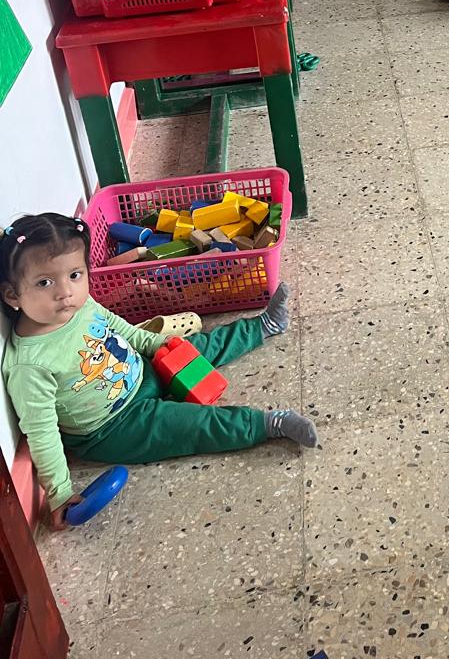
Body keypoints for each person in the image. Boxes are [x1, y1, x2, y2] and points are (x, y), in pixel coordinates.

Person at [1, 214, 316, 529]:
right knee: (192, 426)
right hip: (114, 427)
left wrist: (157, 344)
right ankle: (268, 424)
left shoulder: (81, 306)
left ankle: (263, 326)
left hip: (142, 371)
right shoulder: (29, 365)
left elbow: (122, 329)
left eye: (74, 275)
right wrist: (59, 492)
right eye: (44, 282)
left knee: (198, 346)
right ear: (12, 295)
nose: (65, 292)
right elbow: (42, 433)